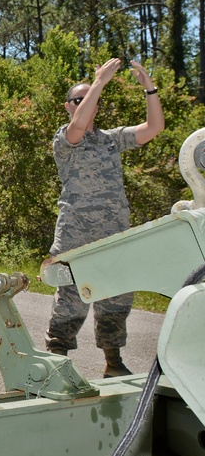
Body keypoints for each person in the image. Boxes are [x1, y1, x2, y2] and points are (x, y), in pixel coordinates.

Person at [45, 57, 164, 377]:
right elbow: (79, 127)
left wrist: (150, 89)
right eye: (78, 100)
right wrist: (98, 82)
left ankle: (113, 361)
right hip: (76, 237)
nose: (85, 104)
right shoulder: (65, 139)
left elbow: (154, 128)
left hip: (113, 236)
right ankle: (56, 362)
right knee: (72, 298)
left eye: (90, 100)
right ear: (68, 106)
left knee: (116, 297)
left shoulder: (111, 139)